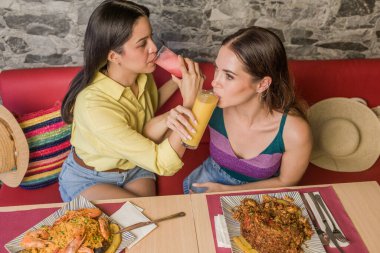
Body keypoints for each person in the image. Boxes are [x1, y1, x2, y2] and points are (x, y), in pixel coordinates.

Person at [59, 0, 203, 202]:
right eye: (142, 43)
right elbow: (162, 162)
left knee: (148, 218)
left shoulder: (142, 75)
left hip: (134, 167)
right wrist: (189, 102)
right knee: (133, 224)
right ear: (113, 55)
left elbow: (146, 108)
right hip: (91, 177)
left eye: (151, 37)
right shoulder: (93, 106)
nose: (154, 48)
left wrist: (176, 81)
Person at [182, 26, 313, 193]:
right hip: (205, 184)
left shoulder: (294, 131)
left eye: (229, 76)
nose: (215, 82)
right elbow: (163, 150)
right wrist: (187, 104)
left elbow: (286, 180)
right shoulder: (210, 106)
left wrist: (226, 191)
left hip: (257, 197)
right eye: (217, 69)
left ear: (262, 84)